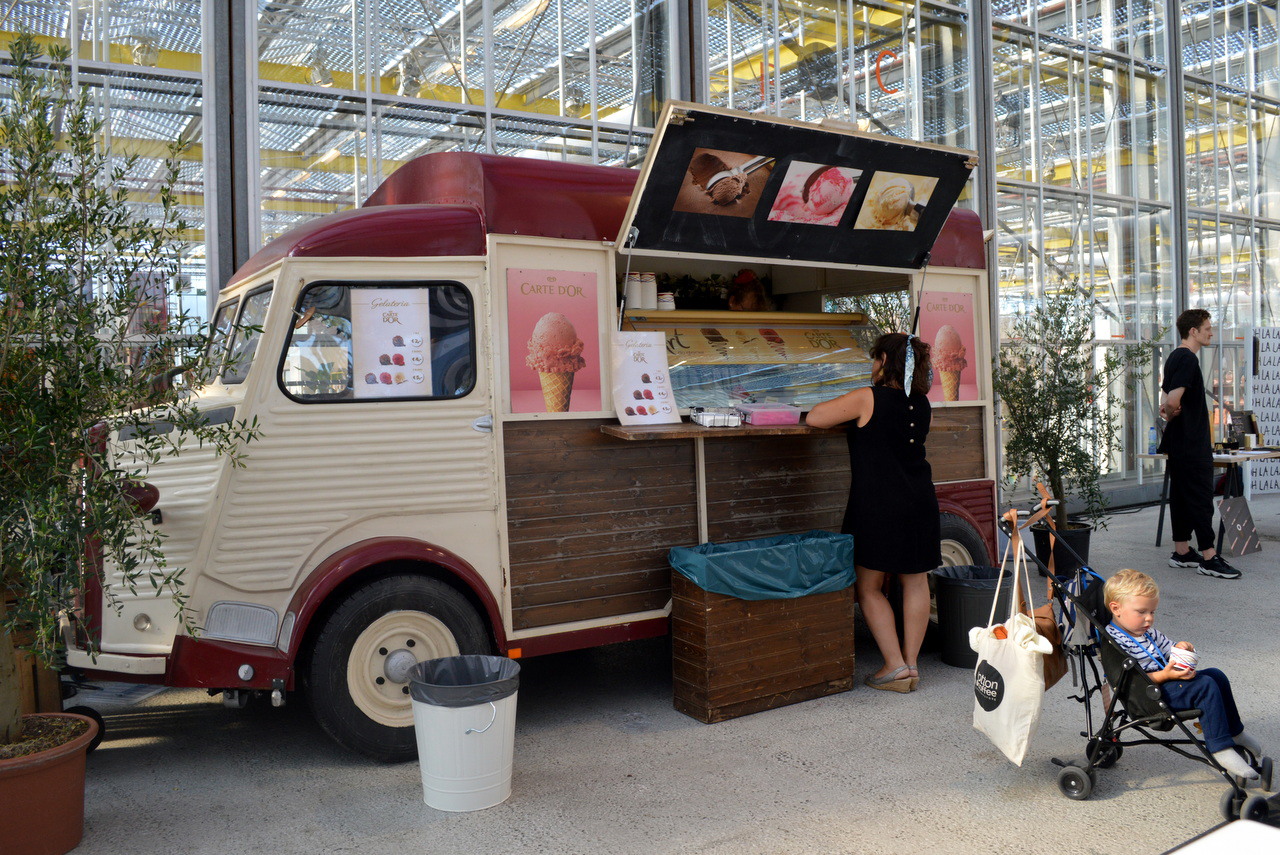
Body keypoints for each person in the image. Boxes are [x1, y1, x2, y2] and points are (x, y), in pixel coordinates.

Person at [806, 332, 940, 693]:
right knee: (915, 580)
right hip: (920, 500)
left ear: (884, 361)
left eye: (875, 358)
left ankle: (894, 666)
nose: (872, 365)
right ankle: (911, 664)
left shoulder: (868, 398)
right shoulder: (922, 403)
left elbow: (816, 417)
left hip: (879, 505)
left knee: (868, 587)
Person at [1103, 569, 1266, 780]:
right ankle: (1219, 748)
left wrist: (1181, 648)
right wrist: (1165, 675)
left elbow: (1169, 648)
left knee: (1216, 676)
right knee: (1205, 686)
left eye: (1152, 612)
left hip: (1165, 684)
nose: (1149, 618)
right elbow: (1127, 682)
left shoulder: (1147, 633)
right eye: (1141, 612)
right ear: (1116, 609)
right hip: (1148, 696)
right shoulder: (1114, 642)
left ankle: (1235, 732)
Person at [1158, 308, 1240, 579]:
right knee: (1201, 497)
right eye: (1207, 329)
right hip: (1191, 442)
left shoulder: (1174, 357)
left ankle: (1182, 552)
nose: (1211, 333)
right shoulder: (1187, 359)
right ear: (1193, 331)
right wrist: (1172, 411)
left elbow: (1165, 401)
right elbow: (1171, 403)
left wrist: (1169, 411)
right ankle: (1209, 557)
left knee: (1182, 496)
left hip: (1179, 442)